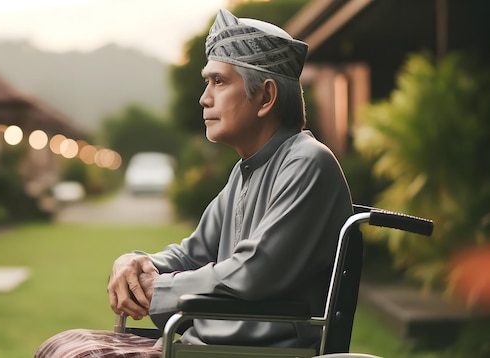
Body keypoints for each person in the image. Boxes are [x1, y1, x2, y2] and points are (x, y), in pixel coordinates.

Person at [34, 8, 353, 358]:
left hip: (250, 351)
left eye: (219, 81)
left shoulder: (307, 162)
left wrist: (159, 287)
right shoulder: (245, 171)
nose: (204, 98)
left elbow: (253, 272)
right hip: (204, 343)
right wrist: (138, 263)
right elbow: (192, 254)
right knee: (62, 344)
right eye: (207, 82)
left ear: (265, 97)